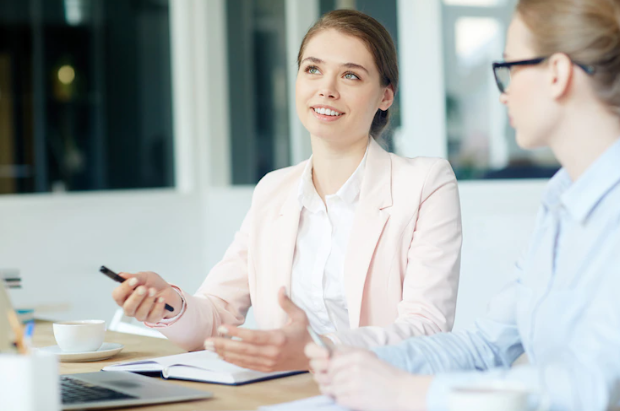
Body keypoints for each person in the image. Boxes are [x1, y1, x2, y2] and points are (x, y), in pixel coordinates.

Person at [306, 0, 620, 409]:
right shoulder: (561, 201)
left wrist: (409, 393)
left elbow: (596, 390)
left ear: (557, 74)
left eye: (510, 68)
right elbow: (486, 346)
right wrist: (355, 361)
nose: (503, 94)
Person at [110, 9, 463, 372]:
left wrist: (318, 349)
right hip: (284, 394)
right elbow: (217, 315)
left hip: (380, 391)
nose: (327, 88)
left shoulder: (424, 183)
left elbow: (427, 327)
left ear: (385, 97)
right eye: (313, 69)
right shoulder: (274, 190)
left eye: (351, 75)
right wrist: (169, 304)